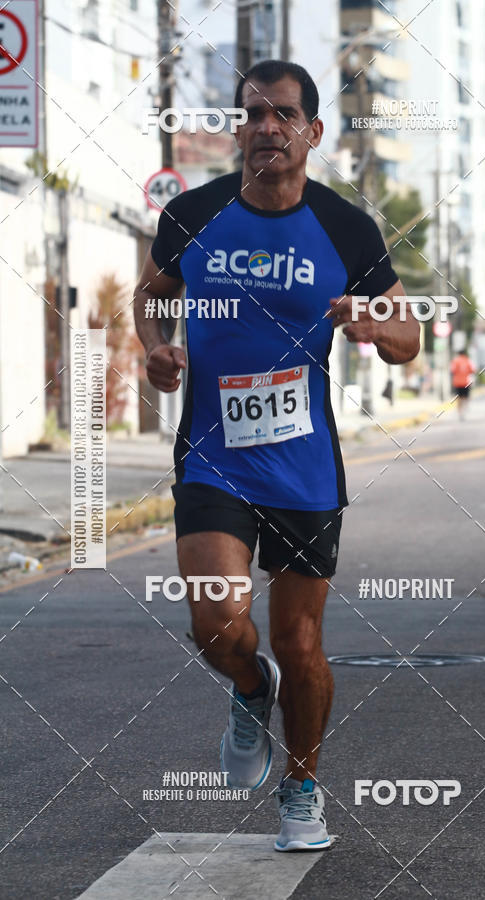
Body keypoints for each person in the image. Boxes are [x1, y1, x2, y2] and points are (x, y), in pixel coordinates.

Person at [134, 59, 419, 851]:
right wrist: (157, 348)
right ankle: (250, 689)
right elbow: (151, 295)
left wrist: (371, 322)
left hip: (304, 467)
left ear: (312, 132)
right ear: (239, 127)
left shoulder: (347, 229)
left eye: (283, 115)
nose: (267, 126)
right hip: (213, 458)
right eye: (253, 113)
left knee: (301, 642)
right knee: (219, 624)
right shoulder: (193, 213)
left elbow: (409, 339)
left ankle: (301, 789)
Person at [450, 348, 476, 420]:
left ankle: (460, 412)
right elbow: (473, 370)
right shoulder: (468, 360)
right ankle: (464, 409)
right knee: (465, 397)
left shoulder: (455, 361)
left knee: (459, 398)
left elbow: (452, 370)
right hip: (466, 382)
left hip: (457, 382)